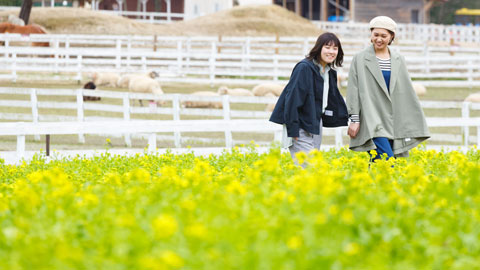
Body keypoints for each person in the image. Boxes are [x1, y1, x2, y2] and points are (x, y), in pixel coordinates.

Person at [346, 16, 430, 161]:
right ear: (371, 35)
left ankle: (369, 184)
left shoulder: (398, 59)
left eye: (384, 36)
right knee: (387, 160)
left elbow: (405, 91)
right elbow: (353, 90)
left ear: (391, 37)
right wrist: (354, 119)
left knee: (386, 163)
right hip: (371, 117)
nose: (379, 39)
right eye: (376, 35)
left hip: (393, 119)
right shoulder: (359, 59)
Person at [270, 32, 348, 161]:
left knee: (310, 169)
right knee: (309, 167)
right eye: (327, 47)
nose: (331, 52)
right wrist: (293, 129)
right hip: (300, 123)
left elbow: (333, 100)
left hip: (315, 122)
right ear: (318, 48)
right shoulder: (304, 68)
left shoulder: (329, 72)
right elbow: (292, 99)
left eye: (335, 48)